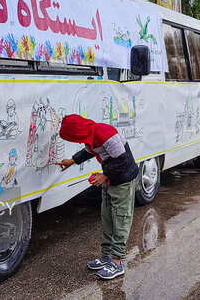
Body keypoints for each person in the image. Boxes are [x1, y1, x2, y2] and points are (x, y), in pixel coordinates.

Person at [56, 114, 139, 280]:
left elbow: (121, 160)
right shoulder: (91, 136)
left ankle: (117, 262)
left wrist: (104, 175)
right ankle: (106, 256)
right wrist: (72, 160)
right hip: (111, 181)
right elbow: (89, 151)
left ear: (79, 133)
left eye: (74, 138)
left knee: (121, 218)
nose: (77, 142)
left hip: (122, 180)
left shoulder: (105, 133)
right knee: (107, 217)